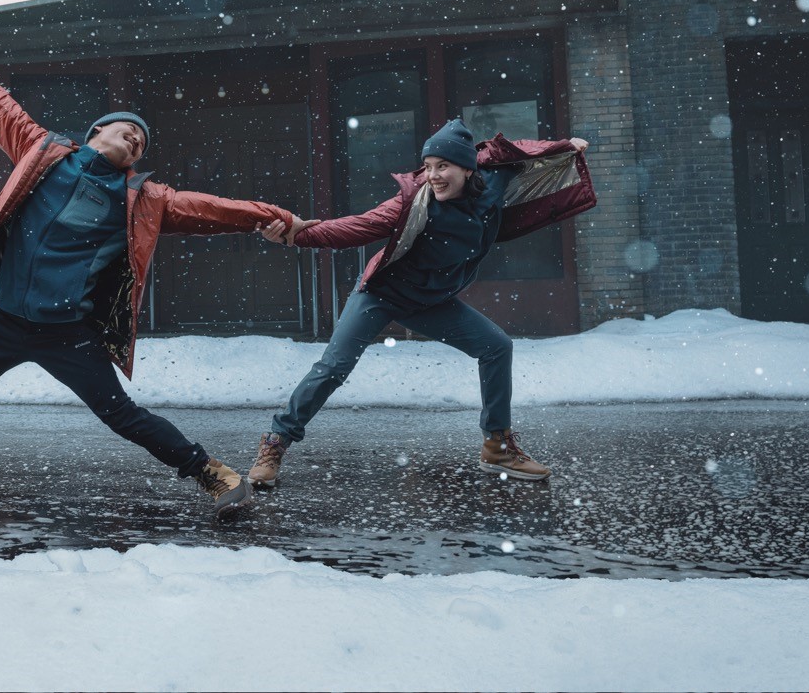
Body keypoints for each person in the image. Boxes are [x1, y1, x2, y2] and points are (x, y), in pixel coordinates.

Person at [0, 19, 301, 519]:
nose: (135, 142)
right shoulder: (42, 153)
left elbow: (211, 208)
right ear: (97, 131)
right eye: (127, 131)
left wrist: (278, 218)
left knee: (122, 416)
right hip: (5, 322)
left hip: (68, 332)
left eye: (141, 143)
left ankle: (213, 474)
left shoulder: (142, 200)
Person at [250, 118, 595, 487]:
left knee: (496, 347)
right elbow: (355, 228)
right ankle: (275, 442)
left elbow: (517, 150)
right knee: (334, 367)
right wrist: (294, 236)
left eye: (443, 166)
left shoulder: (494, 180)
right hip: (381, 295)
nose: (433, 175)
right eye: (428, 167)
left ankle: (497, 447)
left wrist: (563, 146)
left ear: (467, 168)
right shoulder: (413, 202)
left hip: (431, 301)